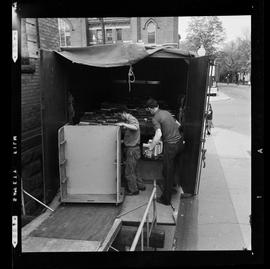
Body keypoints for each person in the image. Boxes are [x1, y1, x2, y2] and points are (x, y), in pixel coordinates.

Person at [145, 98, 190, 205]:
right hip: (179, 143)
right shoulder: (166, 112)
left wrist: (150, 148)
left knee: (167, 172)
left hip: (171, 147)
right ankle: (173, 187)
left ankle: (166, 199)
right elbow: (178, 124)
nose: (149, 112)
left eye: (148, 110)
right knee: (174, 168)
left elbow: (159, 134)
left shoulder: (155, 118)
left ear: (151, 109)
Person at [115, 105, 145, 195]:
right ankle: (140, 185)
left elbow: (136, 127)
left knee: (129, 172)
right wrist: (123, 141)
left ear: (124, 113)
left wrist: (123, 124)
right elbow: (132, 134)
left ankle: (133, 190)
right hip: (134, 149)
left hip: (132, 150)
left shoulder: (132, 119)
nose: (120, 118)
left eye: (120, 115)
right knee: (135, 169)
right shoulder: (129, 121)